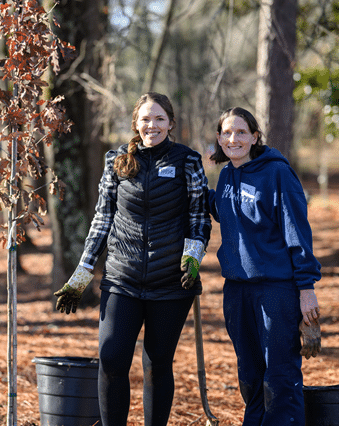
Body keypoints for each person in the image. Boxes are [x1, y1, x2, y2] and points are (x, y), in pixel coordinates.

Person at [54, 92, 212, 426]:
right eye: (145, 119)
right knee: (111, 358)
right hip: (121, 280)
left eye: (158, 119)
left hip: (171, 283)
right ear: (135, 123)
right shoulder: (118, 161)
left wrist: (193, 258)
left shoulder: (188, 161)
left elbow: (199, 217)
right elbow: (102, 219)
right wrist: (83, 270)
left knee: (157, 364)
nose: (151, 125)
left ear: (170, 122)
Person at [208, 107, 322, 426]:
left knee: (280, 377)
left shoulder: (277, 173)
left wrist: (307, 290)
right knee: (250, 376)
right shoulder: (227, 174)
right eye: (227, 133)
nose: (234, 139)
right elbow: (222, 208)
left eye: (242, 132)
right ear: (218, 138)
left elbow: (296, 230)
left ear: (255, 136)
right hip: (236, 291)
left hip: (275, 291)